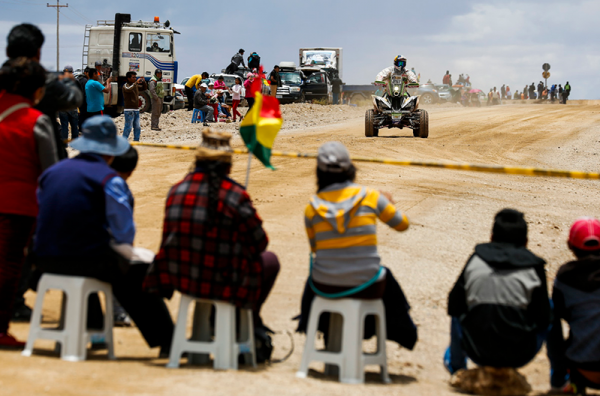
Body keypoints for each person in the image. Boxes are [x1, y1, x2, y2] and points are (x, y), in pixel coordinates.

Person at [34, 116, 174, 356]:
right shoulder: (110, 180)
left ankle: (94, 327)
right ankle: (168, 341)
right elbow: (123, 233)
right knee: (134, 271)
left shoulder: (53, 171)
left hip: (42, 260)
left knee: (91, 263)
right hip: (85, 260)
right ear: (110, 152)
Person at [143, 129, 280, 333]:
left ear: (197, 161)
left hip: (180, 277)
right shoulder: (235, 195)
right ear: (229, 165)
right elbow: (260, 243)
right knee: (270, 261)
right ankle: (248, 322)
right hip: (221, 280)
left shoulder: (176, 190)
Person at [297, 141, 417, 351]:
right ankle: (402, 331)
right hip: (367, 286)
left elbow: (316, 250)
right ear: (350, 168)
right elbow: (403, 225)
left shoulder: (311, 208)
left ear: (319, 173)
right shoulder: (370, 197)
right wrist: (387, 203)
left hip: (326, 287)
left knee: (313, 279)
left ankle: (317, 329)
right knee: (385, 275)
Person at [444, 209, 552, 375]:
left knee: (460, 301)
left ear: (492, 237)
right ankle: (559, 378)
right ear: (526, 242)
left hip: (477, 352)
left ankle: (457, 366)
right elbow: (543, 317)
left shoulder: (476, 259)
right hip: (519, 356)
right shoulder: (534, 267)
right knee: (550, 306)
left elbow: (453, 305)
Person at [0, 57, 58, 348]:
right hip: (16, 207)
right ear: (36, 90)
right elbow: (50, 173)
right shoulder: (36, 122)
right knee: (8, 268)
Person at [6, 23, 81, 160]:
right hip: (42, 162)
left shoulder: (4, 80)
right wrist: (68, 81)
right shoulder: (46, 81)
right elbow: (74, 99)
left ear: (7, 51)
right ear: (38, 53)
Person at [547, 217, 600, 394]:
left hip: (584, 369)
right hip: (583, 367)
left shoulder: (565, 277)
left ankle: (560, 379)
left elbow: (561, 315)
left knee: (550, 316)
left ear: (570, 246)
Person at [122, 71, 147, 141]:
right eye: (133, 77)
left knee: (137, 127)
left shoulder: (135, 86)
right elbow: (129, 89)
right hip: (128, 110)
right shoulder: (125, 86)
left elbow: (144, 88)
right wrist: (136, 83)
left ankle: (136, 140)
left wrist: (144, 82)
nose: (135, 79)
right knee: (128, 127)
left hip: (136, 109)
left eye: (135, 77)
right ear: (128, 78)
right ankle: (123, 141)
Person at [58, 65, 79, 141]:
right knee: (74, 126)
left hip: (63, 107)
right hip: (72, 106)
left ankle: (65, 143)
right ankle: (75, 143)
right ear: (72, 72)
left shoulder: (60, 81)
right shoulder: (76, 81)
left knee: (64, 126)